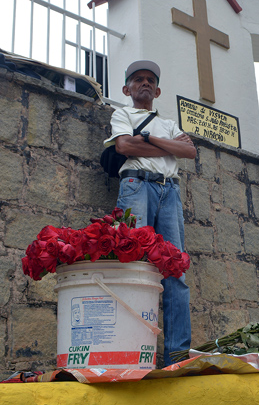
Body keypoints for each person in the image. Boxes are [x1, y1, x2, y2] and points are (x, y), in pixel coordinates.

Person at [103, 59, 197, 365]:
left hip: (169, 190)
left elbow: (189, 151)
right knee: (131, 264)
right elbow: (123, 147)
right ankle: (131, 351)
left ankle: (177, 355)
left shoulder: (168, 123)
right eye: (138, 79)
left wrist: (148, 139)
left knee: (175, 270)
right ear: (126, 88)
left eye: (150, 80)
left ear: (157, 91)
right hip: (135, 185)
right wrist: (167, 146)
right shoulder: (122, 113)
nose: (144, 83)